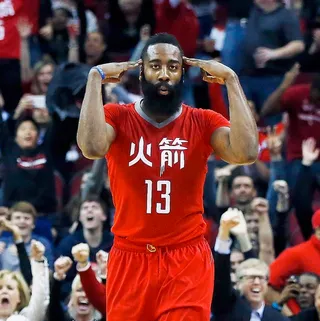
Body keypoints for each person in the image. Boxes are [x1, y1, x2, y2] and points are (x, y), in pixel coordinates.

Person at [77, 33, 258, 320]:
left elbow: (246, 153)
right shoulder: (117, 116)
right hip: (130, 257)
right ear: (141, 73)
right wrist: (94, 79)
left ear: (183, 74)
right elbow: (91, 147)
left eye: (173, 67)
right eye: (155, 66)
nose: (163, 74)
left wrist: (232, 81)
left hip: (185, 258)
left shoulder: (202, 120)